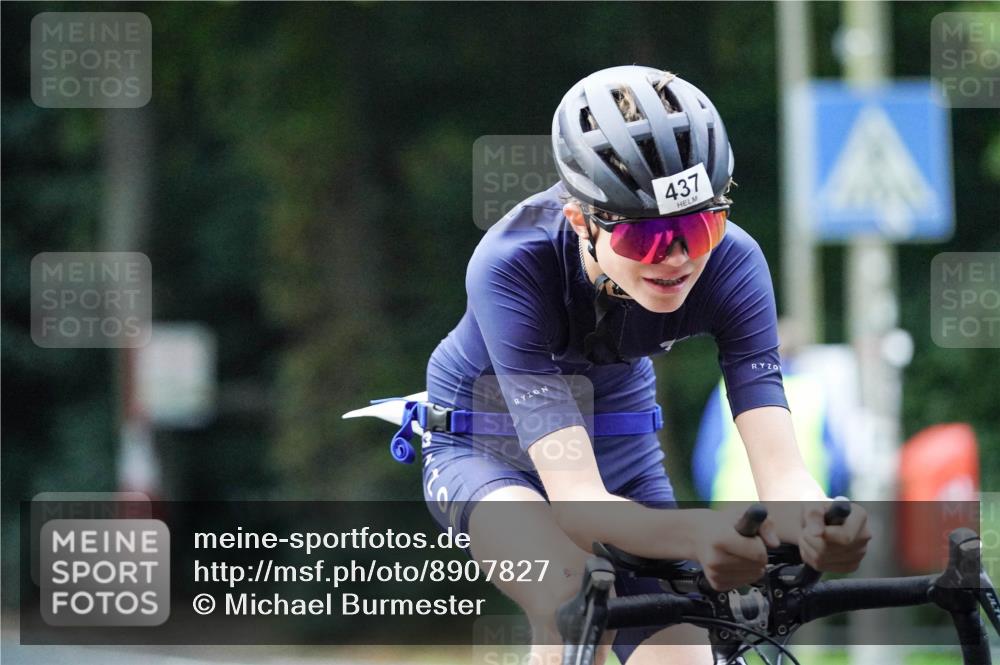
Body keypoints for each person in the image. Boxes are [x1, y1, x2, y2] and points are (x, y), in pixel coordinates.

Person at [420, 66, 870, 665]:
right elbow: (578, 504)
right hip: (486, 447)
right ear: (581, 219)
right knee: (568, 594)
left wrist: (818, 524)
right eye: (647, 239)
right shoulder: (511, 263)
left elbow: (782, 472)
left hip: (618, 447)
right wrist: (693, 534)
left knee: (681, 652)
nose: (679, 258)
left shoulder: (734, 266)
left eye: (701, 224)